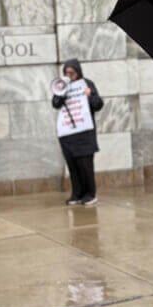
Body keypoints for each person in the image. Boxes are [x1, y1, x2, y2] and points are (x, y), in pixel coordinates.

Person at [52, 58, 103, 206]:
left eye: (72, 72)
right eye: (66, 72)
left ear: (78, 71)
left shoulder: (87, 84)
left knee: (85, 165)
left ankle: (90, 194)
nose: (69, 75)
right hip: (68, 134)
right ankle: (77, 194)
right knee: (73, 166)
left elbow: (98, 104)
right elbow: (55, 104)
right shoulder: (62, 86)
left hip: (84, 133)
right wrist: (61, 93)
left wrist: (90, 95)